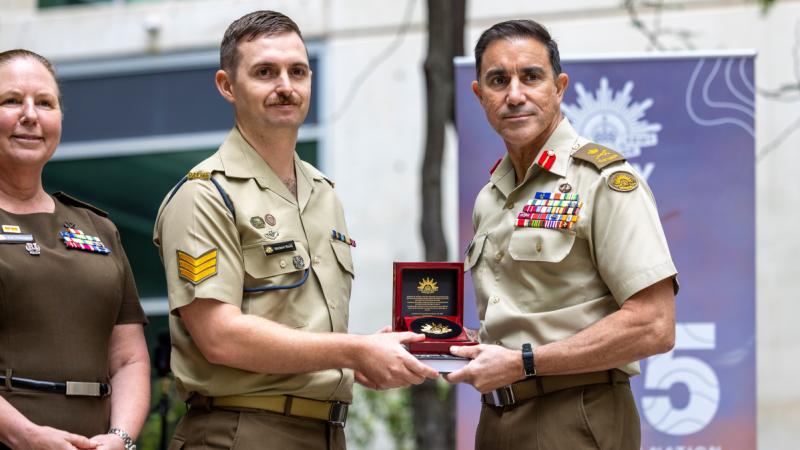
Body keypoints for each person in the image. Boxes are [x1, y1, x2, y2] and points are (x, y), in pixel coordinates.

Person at [153, 10, 438, 449]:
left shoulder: (323, 193)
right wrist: (354, 349)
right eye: (265, 72)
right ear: (227, 86)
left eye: (298, 71)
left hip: (326, 432)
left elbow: (310, 331)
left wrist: (364, 354)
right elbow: (219, 337)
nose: (286, 86)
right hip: (240, 431)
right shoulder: (204, 196)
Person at [446, 20, 678, 449]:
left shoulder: (603, 181)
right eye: (498, 81)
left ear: (559, 88)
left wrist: (523, 362)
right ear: (479, 96)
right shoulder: (490, 198)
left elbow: (654, 325)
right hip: (496, 419)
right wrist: (444, 343)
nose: (515, 94)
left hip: (576, 414)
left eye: (531, 76)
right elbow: (520, 320)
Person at [0, 49, 150, 450]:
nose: (30, 115)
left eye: (44, 103)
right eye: (11, 100)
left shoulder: (98, 228)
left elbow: (129, 359)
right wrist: (25, 436)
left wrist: (120, 439)